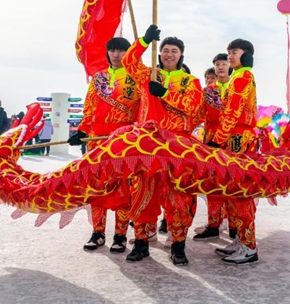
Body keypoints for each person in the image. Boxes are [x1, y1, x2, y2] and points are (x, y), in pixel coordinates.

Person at [122, 24, 203, 266]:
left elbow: (192, 107)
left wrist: (165, 93)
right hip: (148, 145)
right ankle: (141, 243)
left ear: (181, 55)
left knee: (179, 197)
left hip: (178, 147)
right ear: (159, 53)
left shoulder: (190, 81)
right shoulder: (148, 75)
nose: (169, 54)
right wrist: (144, 40)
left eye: (174, 51)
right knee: (143, 194)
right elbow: (128, 61)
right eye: (165, 50)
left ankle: (178, 245)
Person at [70, 37, 139, 254]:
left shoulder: (135, 78)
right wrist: (82, 130)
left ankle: (120, 234)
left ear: (128, 53)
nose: (116, 55)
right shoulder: (98, 78)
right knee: (96, 186)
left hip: (123, 141)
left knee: (122, 187)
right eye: (112, 50)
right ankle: (98, 232)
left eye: (121, 50)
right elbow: (89, 106)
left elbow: (142, 110)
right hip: (97, 140)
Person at [208, 39, 259, 265]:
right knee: (232, 192)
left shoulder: (242, 77)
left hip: (238, 138)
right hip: (234, 137)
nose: (229, 56)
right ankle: (240, 240)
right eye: (228, 52)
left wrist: (217, 140)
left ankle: (249, 247)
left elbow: (232, 112)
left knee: (240, 194)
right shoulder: (237, 76)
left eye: (234, 52)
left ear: (246, 55)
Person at [193, 53, 236, 241]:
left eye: (223, 64)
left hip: (233, 141)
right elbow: (198, 114)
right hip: (211, 141)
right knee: (213, 183)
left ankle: (235, 226)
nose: (220, 67)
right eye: (217, 64)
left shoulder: (238, 87)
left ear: (230, 66)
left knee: (233, 182)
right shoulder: (208, 91)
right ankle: (213, 225)